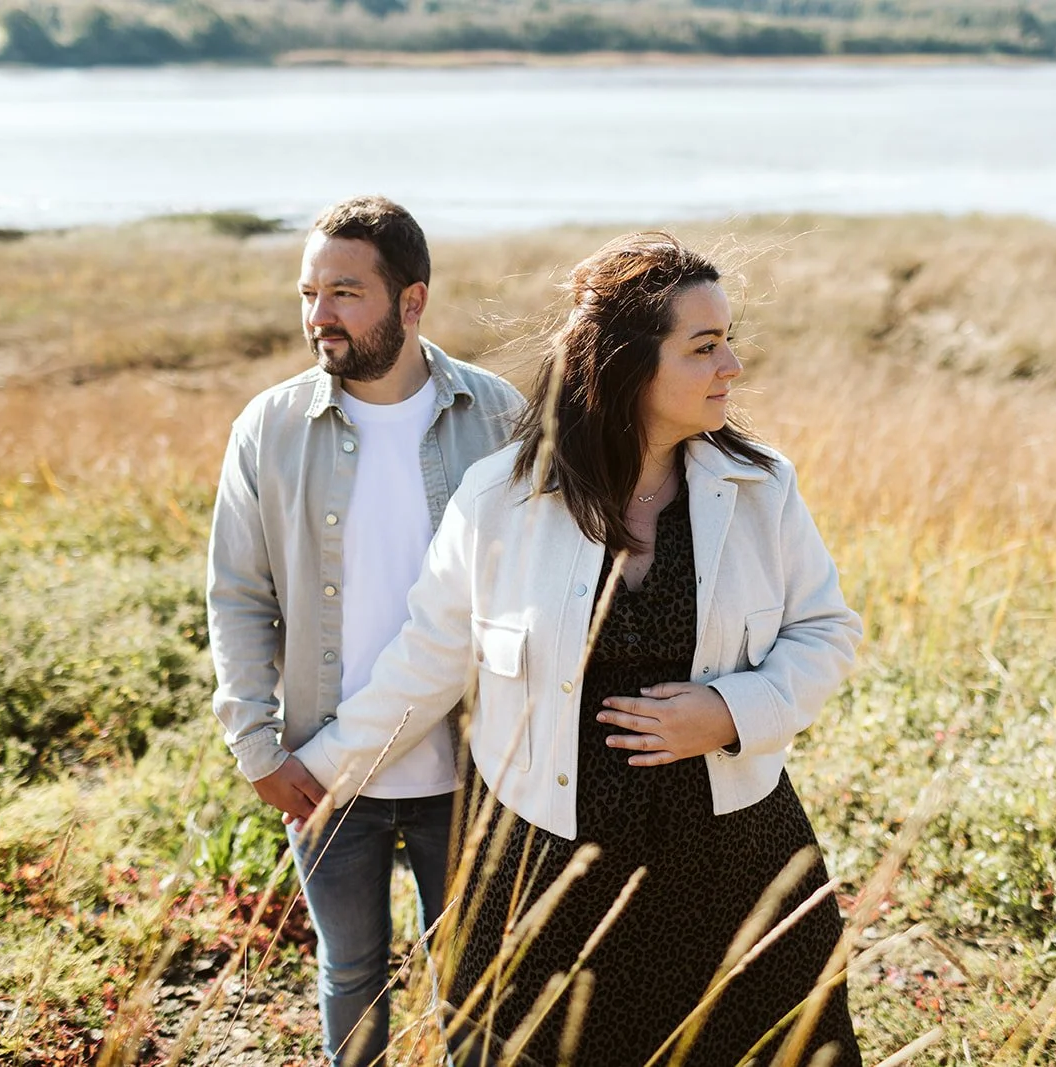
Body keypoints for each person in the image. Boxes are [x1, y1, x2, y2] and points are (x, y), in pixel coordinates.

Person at [292, 232, 864, 1066]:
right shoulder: (503, 499)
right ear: (628, 366)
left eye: (728, 340)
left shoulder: (761, 486)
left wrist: (729, 713)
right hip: (547, 862)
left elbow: (826, 630)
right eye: (704, 347)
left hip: (732, 853)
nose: (732, 365)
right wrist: (325, 770)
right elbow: (431, 656)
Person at [206, 194, 523, 1067]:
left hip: (472, 771)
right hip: (322, 771)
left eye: (344, 293)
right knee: (349, 974)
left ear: (411, 300)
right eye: (308, 294)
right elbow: (237, 594)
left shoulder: (501, 418)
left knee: (473, 981)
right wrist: (257, 748)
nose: (319, 318)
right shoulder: (268, 428)